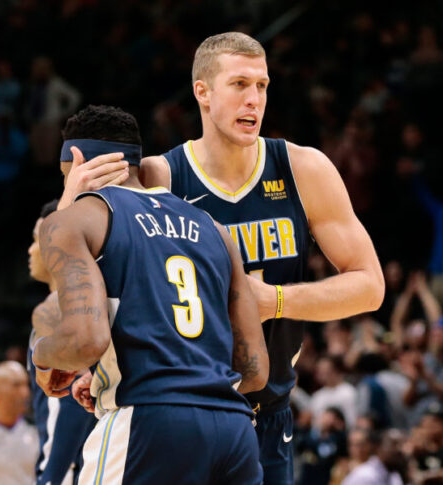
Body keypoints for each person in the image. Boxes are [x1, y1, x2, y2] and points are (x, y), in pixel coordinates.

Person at [137, 31, 385, 484]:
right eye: (239, 85)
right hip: (184, 414)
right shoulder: (160, 177)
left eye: (262, 86)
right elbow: (108, 276)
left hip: (269, 413)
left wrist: (274, 300)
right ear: (203, 92)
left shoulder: (303, 169)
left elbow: (370, 287)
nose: (254, 99)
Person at [32, 105, 269, 484]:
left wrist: (42, 357)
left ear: (76, 162)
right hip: (233, 431)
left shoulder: (76, 219)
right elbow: (255, 369)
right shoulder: (214, 228)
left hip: (148, 421)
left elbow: (84, 341)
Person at [26, 198, 96, 485]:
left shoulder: (58, 309)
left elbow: (66, 403)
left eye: (36, 239)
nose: (31, 249)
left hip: (75, 470)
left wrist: (53, 476)